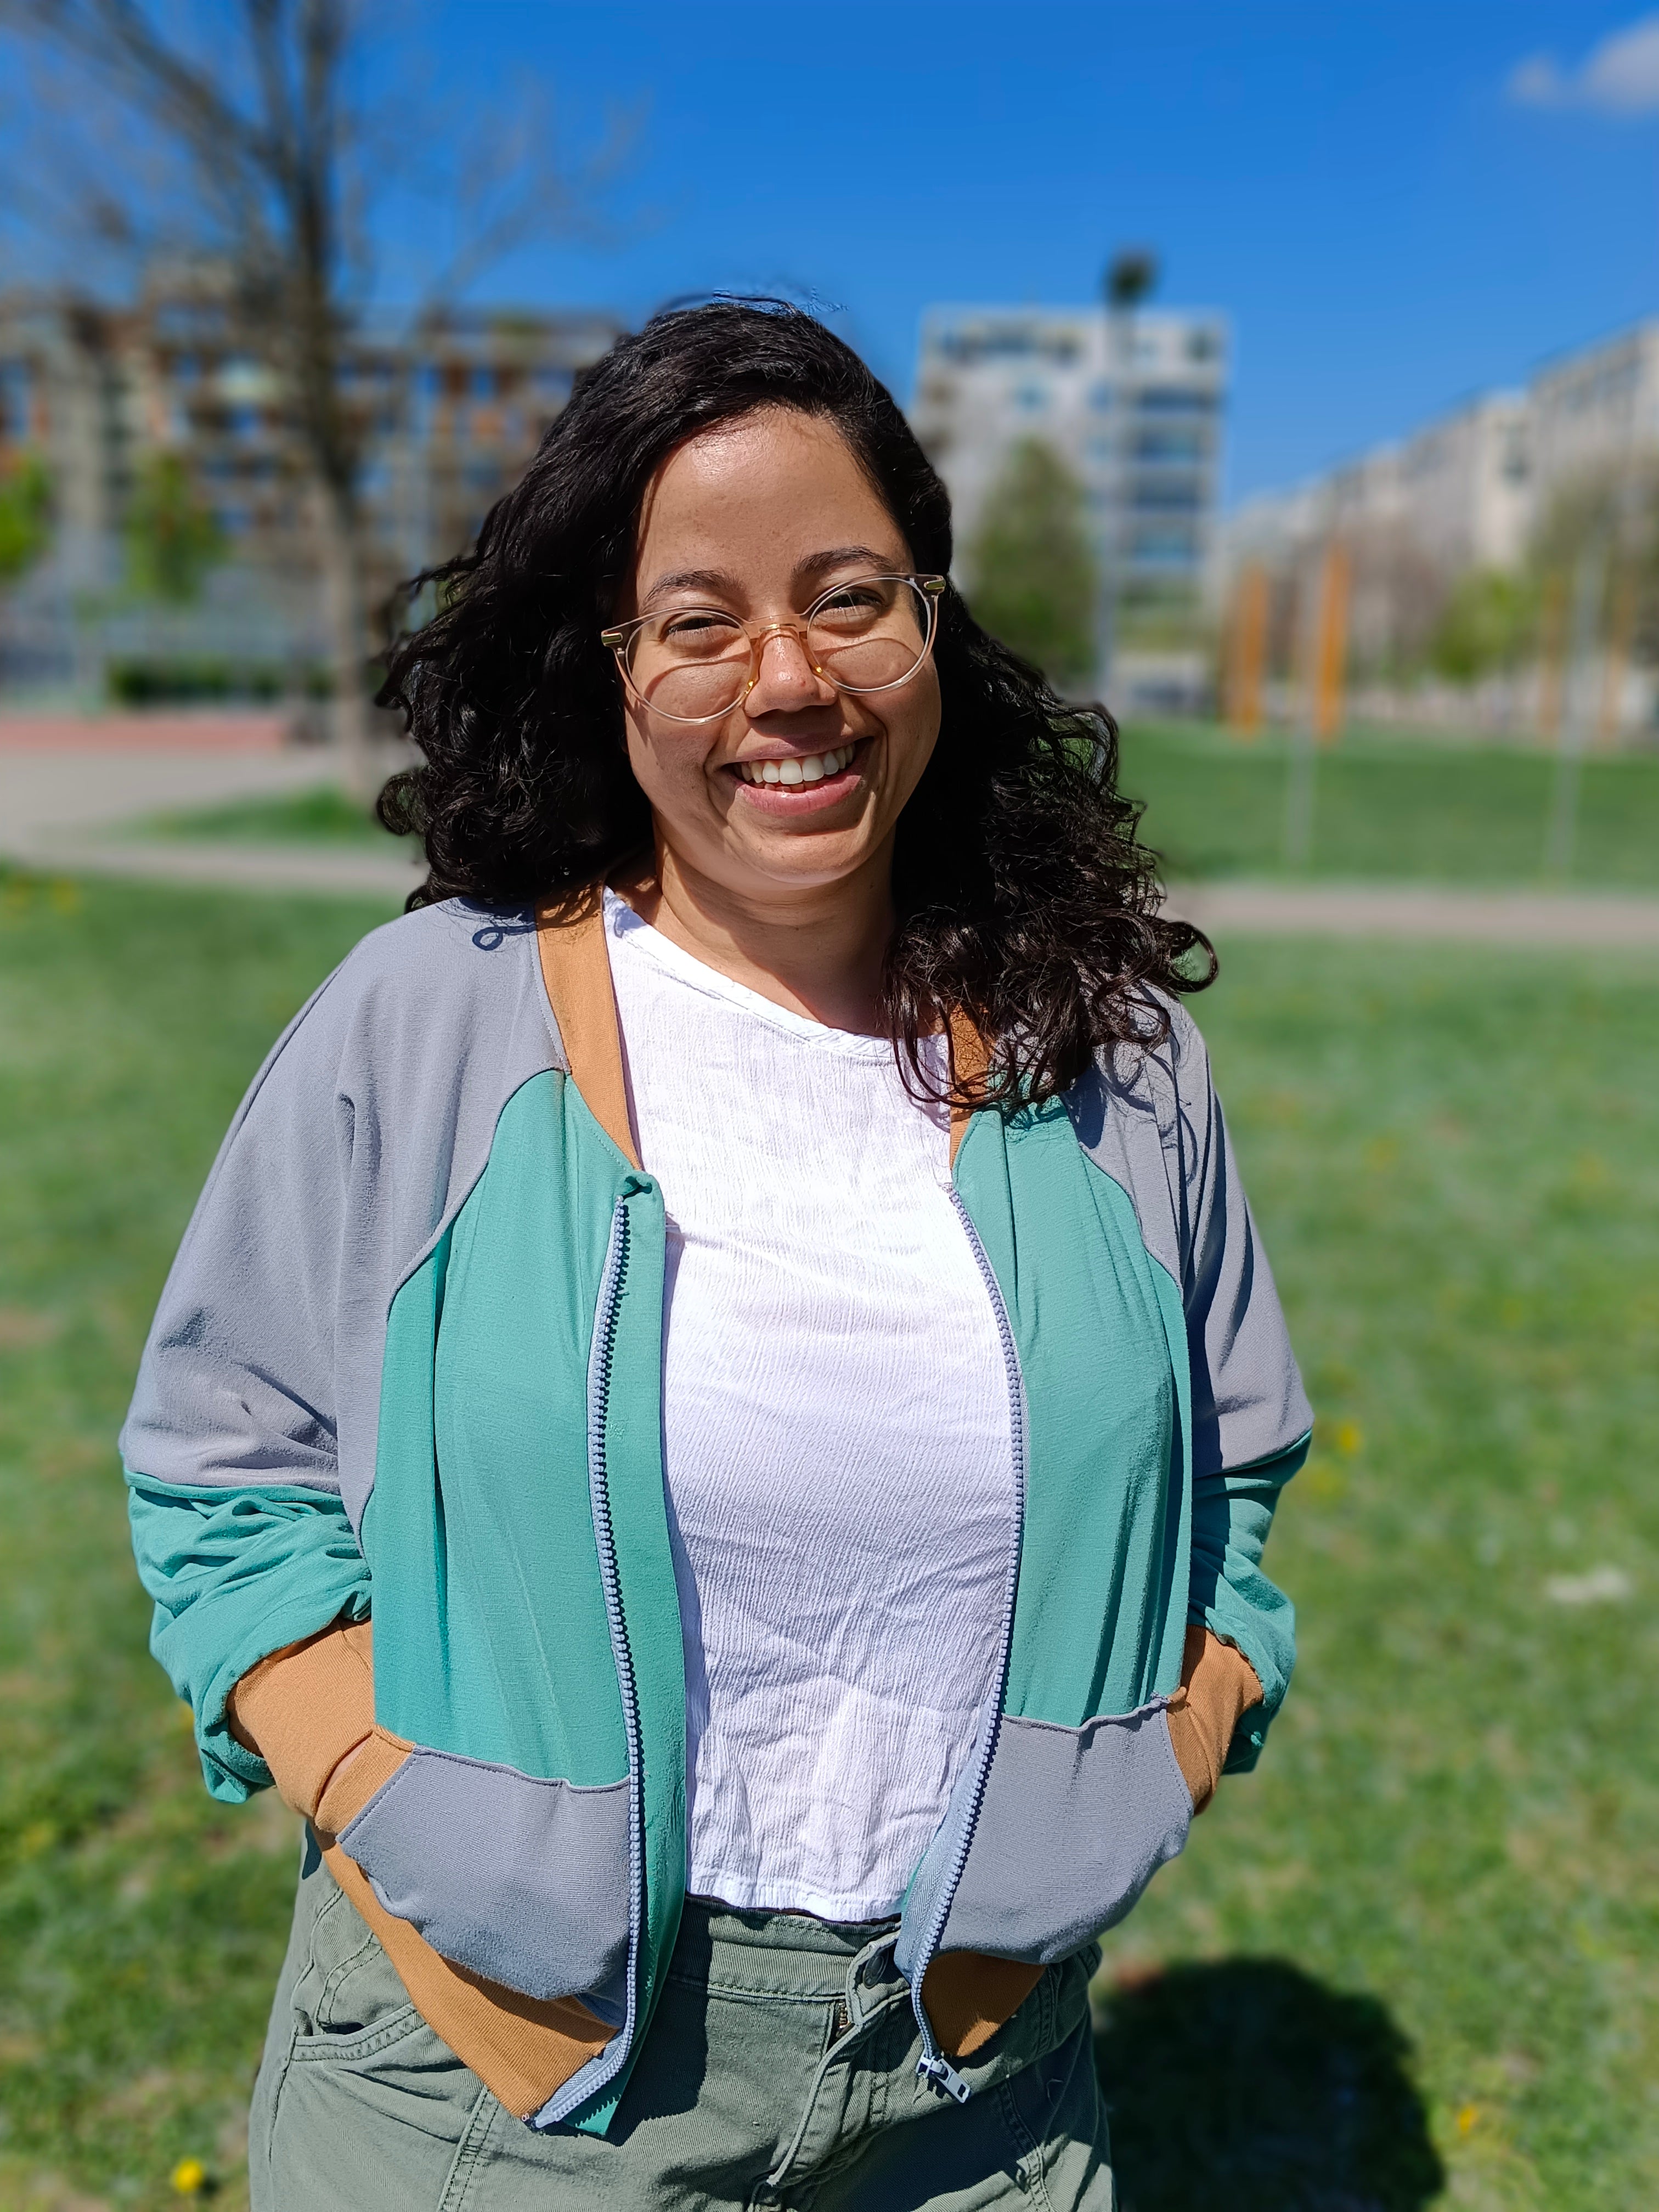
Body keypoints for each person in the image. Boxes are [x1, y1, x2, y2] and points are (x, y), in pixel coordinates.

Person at [122, 302, 1311, 2211]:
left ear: (934, 624)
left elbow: (1233, 1468)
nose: (789, 679)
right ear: (607, 673)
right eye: (698, 622)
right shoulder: (433, 1017)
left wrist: (1161, 1746)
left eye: (851, 597)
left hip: (984, 2091)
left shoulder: (1121, 1062)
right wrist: (394, 1800)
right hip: (490, 2086)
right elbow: (218, 1459)